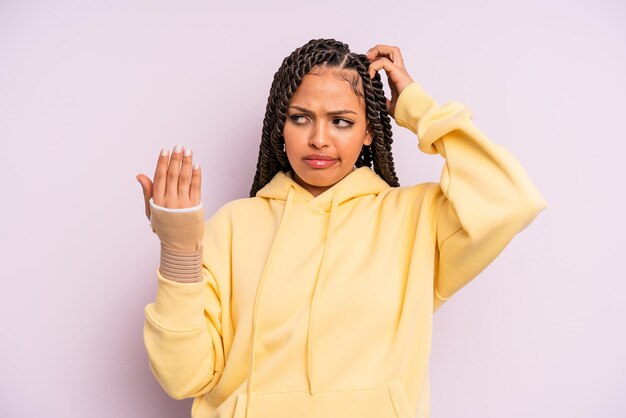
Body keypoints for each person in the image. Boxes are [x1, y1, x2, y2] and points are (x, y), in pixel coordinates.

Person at [136, 38, 547, 418]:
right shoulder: (232, 226)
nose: (319, 139)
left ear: (369, 131)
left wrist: (419, 109)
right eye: (301, 118)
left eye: (342, 121)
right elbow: (183, 377)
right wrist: (179, 252)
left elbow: (511, 199)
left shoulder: (416, 219)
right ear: (281, 127)